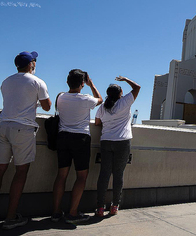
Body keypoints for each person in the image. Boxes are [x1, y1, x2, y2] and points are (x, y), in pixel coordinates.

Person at [0, 51, 51, 230]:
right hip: (23, 129)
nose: (35, 64)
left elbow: (15, 100)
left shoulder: (6, 81)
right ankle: (10, 218)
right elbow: (47, 106)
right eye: (34, 61)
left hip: (3, 126)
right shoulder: (38, 82)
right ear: (31, 64)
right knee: (21, 172)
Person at [51, 69, 102, 224]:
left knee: (61, 175)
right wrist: (91, 84)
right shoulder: (86, 99)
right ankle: (72, 213)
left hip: (62, 137)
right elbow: (100, 99)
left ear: (67, 82)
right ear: (82, 84)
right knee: (81, 177)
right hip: (80, 139)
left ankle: (56, 212)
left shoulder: (60, 97)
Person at [94, 75, 140, 217]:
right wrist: (126, 79)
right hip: (122, 142)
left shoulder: (103, 107)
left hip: (106, 141)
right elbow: (137, 88)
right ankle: (114, 206)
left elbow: (96, 123)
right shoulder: (124, 102)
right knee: (118, 174)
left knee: (104, 175)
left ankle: (100, 208)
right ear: (120, 94)